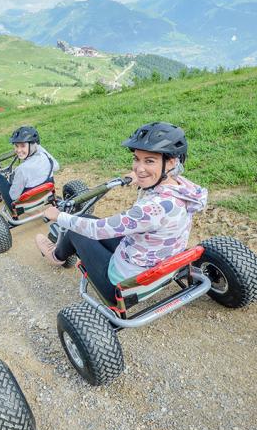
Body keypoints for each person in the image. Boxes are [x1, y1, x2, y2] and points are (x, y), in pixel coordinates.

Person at [35, 122, 208, 304]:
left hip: (123, 286)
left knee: (75, 228)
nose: (138, 167)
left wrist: (58, 216)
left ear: (172, 162)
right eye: (136, 159)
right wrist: (143, 176)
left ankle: (57, 256)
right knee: (83, 219)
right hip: (159, 261)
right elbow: (156, 191)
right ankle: (63, 248)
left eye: (149, 161)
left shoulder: (150, 209)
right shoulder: (185, 188)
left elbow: (96, 229)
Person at [0, 125, 59, 210]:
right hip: (46, 193)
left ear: (33, 145)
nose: (18, 150)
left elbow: (13, 196)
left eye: (22, 146)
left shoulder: (21, 169)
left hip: (26, 203)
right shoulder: (46, 157)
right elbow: (56, 167)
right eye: (16, 146)